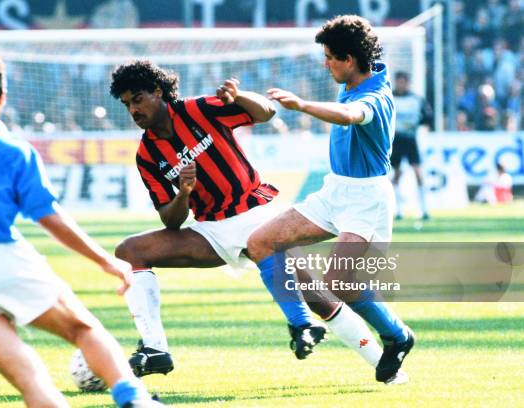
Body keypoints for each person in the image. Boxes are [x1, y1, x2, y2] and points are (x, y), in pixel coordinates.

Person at [0, 50, 162, 408]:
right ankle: (134, 399)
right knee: (83, 330)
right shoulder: (12, 149)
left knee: (30, 379)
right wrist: (106, 261)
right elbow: (49, 217)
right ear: (1, 97)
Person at [109, 60, 388, 380]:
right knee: (129, 251)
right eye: (127, 104)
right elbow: (171, 220)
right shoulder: (147, 154)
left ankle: (383, 364)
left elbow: (266, 112)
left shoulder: (198, 109)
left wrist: (239, 96)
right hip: (210, 231)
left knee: (317, 299)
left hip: (258, 216)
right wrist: (183, 193)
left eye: (138, 99)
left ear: (158, 92)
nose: (133, 109)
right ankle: (155, 348)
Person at [246, 15, 414, 384]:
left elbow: (352, 115)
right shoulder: (356, 79)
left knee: (339, 282)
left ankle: (398, 336)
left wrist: (303, 106)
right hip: (334, 191)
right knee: (260, 242)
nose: (325, 64)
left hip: (367, 200)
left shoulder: (375, 96)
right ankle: (301, 325)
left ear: (349, 60)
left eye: (329, 57)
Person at [390, 71, 433, 220]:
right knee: (396, 174)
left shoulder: (416, 99)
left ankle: (424, 209)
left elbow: (428, 116)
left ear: (407, 83)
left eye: (403, 81)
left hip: (410, 139)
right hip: (395, 139)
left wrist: (417, 123)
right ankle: (398, 210)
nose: (401, 84)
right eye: (398, 81)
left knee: (418, 173)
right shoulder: (389, 97)